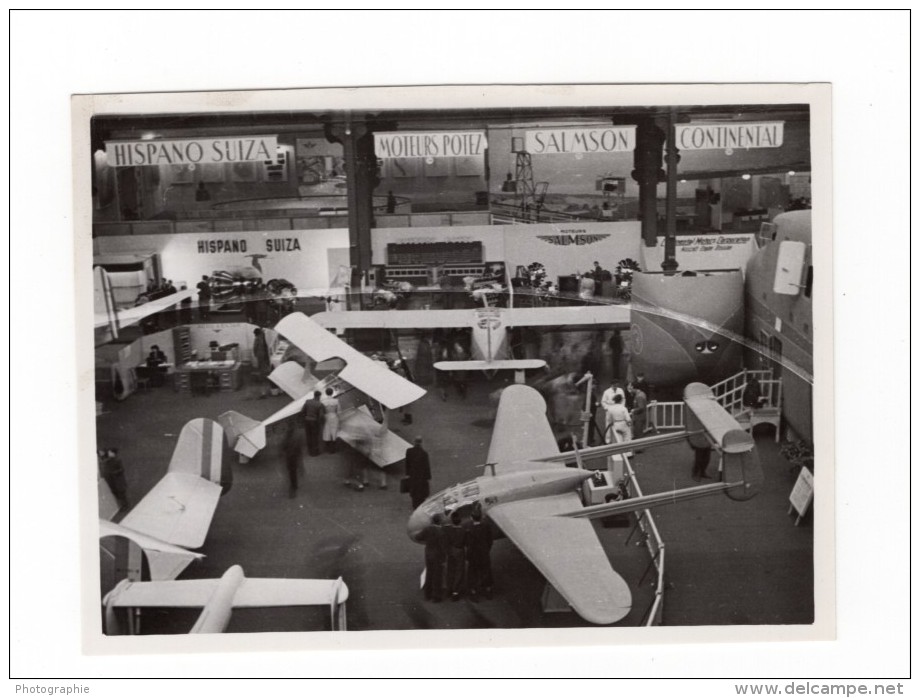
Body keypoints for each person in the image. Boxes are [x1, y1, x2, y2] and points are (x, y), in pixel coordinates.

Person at [465, 505, 493, 600]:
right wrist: (486, 549)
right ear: (480, 517)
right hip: (484, 553)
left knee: (472, 573)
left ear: (472, 518)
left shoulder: (469, 527)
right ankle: (488, 591)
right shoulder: (486, 526)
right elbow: (490, 540)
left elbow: (467, 542)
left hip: (473, 554)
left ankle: (473, 592)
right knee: (486, 571)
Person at [418, 513, 447, 602]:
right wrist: (444, 558)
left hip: (428, 554)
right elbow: (443, 547)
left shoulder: (427, 529)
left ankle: (427, 594)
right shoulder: (442, 532)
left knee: (429, 573)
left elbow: (418, 537)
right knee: (437, 576)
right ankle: (436, 596)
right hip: (437, 555)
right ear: (440, 522)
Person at [444, 511, 468, 601]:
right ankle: (455, 591)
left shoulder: (448, 529)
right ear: (460, 521)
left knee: (450, 570)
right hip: (459, 551)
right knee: (459, 571)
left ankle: (448, 589)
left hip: (451, 550)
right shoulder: (463, 530)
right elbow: (466, 542)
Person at [405, 436, 431, 509]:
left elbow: (407, 463)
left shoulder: (409, 451)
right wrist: (428, 477)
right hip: (421, 476)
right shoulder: (424, 453)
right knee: (421, 491)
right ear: (421, 443)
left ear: (414, 442)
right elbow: (427, 466)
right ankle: (420, 505)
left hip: (413, 474)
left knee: (414, 490)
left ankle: (414, 505)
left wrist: (407, 474)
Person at [282, 420, 303, 498]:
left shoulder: (287, 436)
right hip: (294, 457)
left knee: (292, 473)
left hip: (290, 457)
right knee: (293, 472)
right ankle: (294, 485)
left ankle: (293, 486)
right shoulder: (297, 437)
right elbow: (299, 448)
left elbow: (283, 446)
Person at [300, 390, 324, 457]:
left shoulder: (307, 401)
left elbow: (302, 411)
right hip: (314, 422)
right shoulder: (319, 404)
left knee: (309, 436)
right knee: (315, 437)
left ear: (314, 395)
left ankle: (310, 451)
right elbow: (321, 415)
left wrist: (305, 417)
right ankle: (315, 452)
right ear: (319, 396)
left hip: (307, 421)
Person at [251, 328, 270, 399]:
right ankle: (265, 390)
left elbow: (254, 348)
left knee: (262, 373)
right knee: (264, 371)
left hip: (261, 357)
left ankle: (263, 392)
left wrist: (256, 354)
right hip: (265, 356)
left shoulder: (257, 339)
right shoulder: (263, 337)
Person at [320, 387, 340, 453]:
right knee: (334, 432)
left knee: (327, 432)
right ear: (332, 393)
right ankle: (333, 449)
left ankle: (328, 449)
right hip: (334, 416)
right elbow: (339, 411)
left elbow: (322, 411)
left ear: (326, 393)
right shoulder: (336, 401)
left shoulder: (323, 401)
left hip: (327, 416)